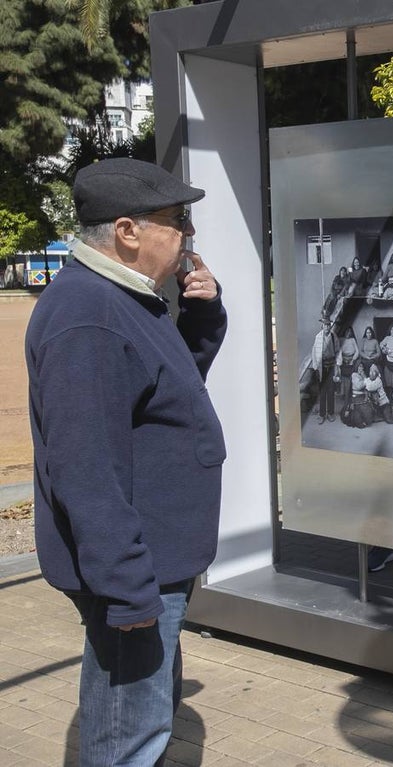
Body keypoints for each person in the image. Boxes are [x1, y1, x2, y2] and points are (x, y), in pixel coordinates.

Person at [25, 158, 227, 764]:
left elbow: (170, 387)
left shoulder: (128, 298)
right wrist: (125, 589)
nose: (188, 234)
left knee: (145, 717)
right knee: (127, 737)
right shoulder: (89, 315)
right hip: (135, 568)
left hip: (153, 559)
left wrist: (202, 312)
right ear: (127, 232)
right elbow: (85, 468)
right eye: (177, 220)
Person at [311, 317, 338, 422]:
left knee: (331, 391)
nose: (327, 327)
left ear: (330, 326)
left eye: (328, 325)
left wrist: (338, 365)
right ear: (322, 326)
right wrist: (315, 366)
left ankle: (330, 413)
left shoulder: (333, 336)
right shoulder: (318, 337)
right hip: (321, 367)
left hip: (331, 366)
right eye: (325, 325)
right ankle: (322, 414)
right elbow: (314, 351)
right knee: (322, 392)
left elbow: (338, 350)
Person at [335, 326, 359, 411]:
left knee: (351, 379)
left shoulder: (353, 340)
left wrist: (352, 359)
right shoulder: (341, 339)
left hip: (351, 361)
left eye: (350, 332)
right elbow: (339, 351)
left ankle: (350, 395)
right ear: (344, 332)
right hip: (343, 361)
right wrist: (343, 360)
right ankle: (344, 395)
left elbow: (357, 351)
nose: (348, 334)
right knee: (344, 379)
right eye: (347, 332)